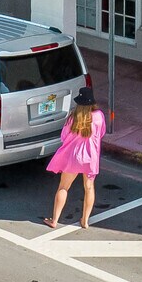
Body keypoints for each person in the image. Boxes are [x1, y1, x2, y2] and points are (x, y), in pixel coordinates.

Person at [44, 87, 106, 230]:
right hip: (91, 157)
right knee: (89, 188)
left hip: (74, 157)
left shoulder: (73, 117)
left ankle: (54, 220)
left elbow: (63, 137)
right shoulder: (99, 116)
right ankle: (85, 221)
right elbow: (101, 133)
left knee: (64, 187)